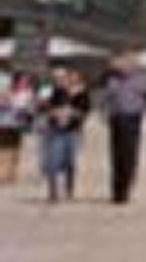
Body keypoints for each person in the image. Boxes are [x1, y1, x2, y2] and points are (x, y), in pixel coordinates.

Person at [100, 51, 146, 204]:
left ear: (134, 65)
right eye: (121, 63)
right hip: (116, 119)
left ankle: (125, 186)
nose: (123, 66)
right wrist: (104, 112)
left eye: (127, 63)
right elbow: (106, 98)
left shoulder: (143, 79)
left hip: (133, 119)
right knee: (116, 156)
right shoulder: (112, 79)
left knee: (129, 155)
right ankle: (116, 191)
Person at [37, 68, 88, 202]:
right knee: (53, 161)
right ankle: (53, 192)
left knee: (70, 162)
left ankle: (69, 189)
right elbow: (43, 107)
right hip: (55, 131)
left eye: (71, 78)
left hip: (73, 131)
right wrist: (53, 111)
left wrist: (71, 112)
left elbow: (84, 111)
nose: (66, 81)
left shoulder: (81, 94)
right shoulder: (54, 92)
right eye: (64, 78)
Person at [0, 70, 34, 186]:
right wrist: (5, 102)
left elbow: (30, 108)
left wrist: (26, 111)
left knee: (16, 149)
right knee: (3, 149)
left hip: (18, 124)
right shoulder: (8, 91)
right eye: (22, 80)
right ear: (16, 81)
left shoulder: (29, 93)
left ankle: (12, 174)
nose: (24, 82)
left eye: (26, 80)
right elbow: (2, 104)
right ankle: (2, 174)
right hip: (4, 123)